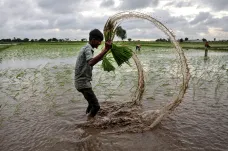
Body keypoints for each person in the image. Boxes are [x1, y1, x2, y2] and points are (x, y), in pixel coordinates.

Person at [75, 29, 112, 118]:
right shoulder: (87, 48)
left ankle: (86, 117)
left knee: (91, 104)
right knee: (96, 106)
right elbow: (91, 62)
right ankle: (89, 123)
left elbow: (92, 60)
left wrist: (105, 51)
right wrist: (106, 49)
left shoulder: (87, 48)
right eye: (99, 41)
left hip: (82, 83)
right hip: (83, 83)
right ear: (93, 40)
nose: (99, 43)